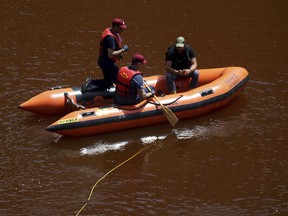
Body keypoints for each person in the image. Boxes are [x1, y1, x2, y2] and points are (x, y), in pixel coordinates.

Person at [81, 18, 129, 92]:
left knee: (108, 82)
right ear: (115, 27)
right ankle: (91, 83)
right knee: (118, 80)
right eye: (120, 28)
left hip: (104, 61)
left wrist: (118, 52)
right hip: (107, 62)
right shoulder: (110, 38)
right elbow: (111, 55)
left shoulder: (111, 31)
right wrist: (123, 50)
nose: (122, 29)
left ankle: (97, 88)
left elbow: (110, 50)